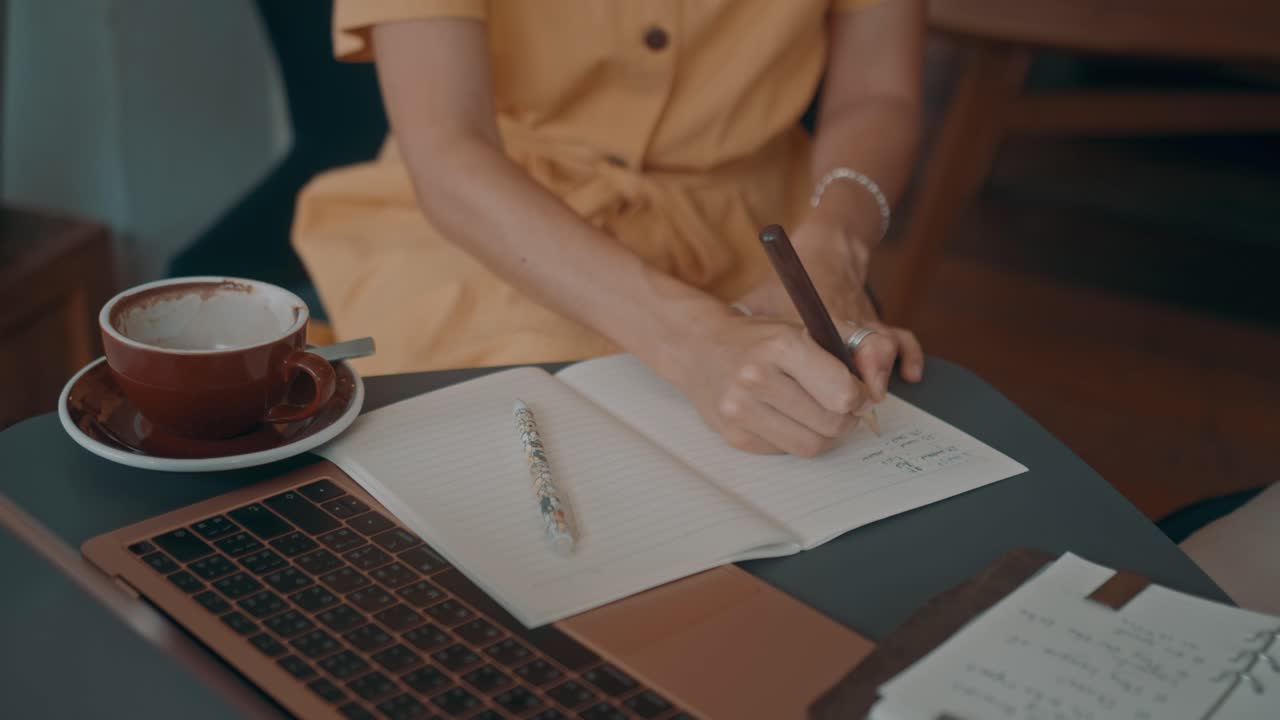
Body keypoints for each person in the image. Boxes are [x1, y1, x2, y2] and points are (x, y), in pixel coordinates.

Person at [293, 0, 926, 457]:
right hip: (496, 225)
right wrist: (696, 340)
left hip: (770, 232)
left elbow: (877, 94)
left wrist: (834, 249)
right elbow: (447, 149)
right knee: (520, 448)